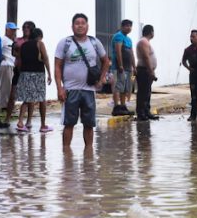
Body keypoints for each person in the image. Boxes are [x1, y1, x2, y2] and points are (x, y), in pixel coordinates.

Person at [54, 13, 109, 148]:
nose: (80, 26)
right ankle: (66, 154)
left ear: (87, 26)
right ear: (72, 26)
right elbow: (57, 66)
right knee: (69, 123)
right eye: (77, 23)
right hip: (70, 90)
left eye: (82, 23)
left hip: (89, 90)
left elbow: (106, 61)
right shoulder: (65, 43)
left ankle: (88, 155)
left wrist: (102, 79)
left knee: (89, 124)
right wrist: (59, 88)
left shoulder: (94, 42)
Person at [16, 28, 53, 132]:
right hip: (38, 74)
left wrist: (21, 73)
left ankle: (20, 121)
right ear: (40, 36)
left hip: (25, 74)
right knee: (41, 99)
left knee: (27, 99)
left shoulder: (23, 45)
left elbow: (20, 61)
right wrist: (49, 73)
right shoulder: (40, 44)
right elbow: (45, 58)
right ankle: (43, 125)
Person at [8, 21, 35, 123]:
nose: (26, 29)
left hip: (30, 70)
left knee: (30, 97)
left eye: (28, 27)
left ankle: (28, 120)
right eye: (24, 27)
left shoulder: (34, 41)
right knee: (12, 95)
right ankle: (8, 118)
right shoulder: (18, 40)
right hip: (19, 70)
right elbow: (13, 52)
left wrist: (21, 51)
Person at [111, 19, 135, 116]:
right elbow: (118, 51)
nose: (128, 27)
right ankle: (116, 107)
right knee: (119, 86)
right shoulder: (118, 36)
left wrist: (134, 66)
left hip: (128, 68)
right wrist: (120, 65)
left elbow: (132, 53)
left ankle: (123, 106)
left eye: (130, 26)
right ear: (122, 27)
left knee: (125, 88)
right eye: (126, 26)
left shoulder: (129, 39)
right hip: (119, 67)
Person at [135, 24, 159, 121]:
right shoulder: (143, 42)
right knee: (143, 92)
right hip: (144, 70)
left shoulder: (146, 42)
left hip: (147, 70)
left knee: (147, 92)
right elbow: (146, 57)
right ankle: (141, 113)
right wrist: (150, 70)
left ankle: (146, 111)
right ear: (151, 32)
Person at [0, 22, 17, 113]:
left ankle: (8, 106)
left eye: (14, 30)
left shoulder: (12, 40)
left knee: (10, 86)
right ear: (7, 30)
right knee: (6, 86)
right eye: (12, 30)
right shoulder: (3, 39)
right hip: (6, 65)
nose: (13, 32)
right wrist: (1, 56)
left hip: (11, 65)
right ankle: (4, 106)